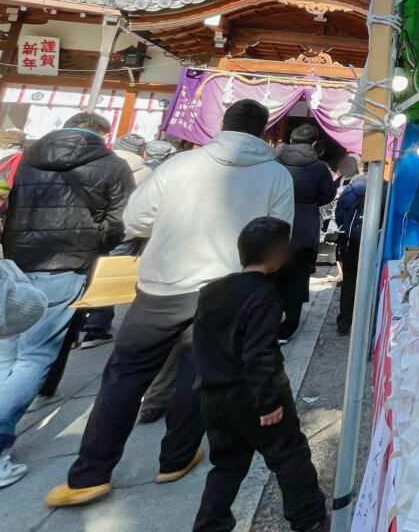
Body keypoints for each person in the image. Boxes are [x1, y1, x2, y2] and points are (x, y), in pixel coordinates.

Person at [47, 99, 295, 508]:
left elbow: (136, 219)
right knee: (199, 374)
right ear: (264, 130)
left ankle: (88, 475)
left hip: (162, 282)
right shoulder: (275, 174)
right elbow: (277, 235)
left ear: (221, 123)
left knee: (125, 376)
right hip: (225, 286)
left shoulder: (180, 164)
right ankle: (176, 458)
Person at [0, 112, 133, 489]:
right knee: (35, 356)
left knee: (7, 352)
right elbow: (120, 222)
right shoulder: (112, 164)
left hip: (15, 260)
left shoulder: (26, 157)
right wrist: (94, 241)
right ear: (103, 133)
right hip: (66, 263)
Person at [191, 217, 327, 532]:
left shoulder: (211, 290)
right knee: (290, 455)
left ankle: (210, 524)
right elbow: (259, 353)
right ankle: (308, 519)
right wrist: (269, 401)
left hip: (213, 396)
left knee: (226, 465)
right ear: (277, 255)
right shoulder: (265, 295)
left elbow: (203, 340)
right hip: (254, 397)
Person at [78, 133, 154, 349]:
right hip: (124, 230)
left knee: (84, 274)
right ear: (141, 151)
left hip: (88, 228)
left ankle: (73, 328)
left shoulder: (97, 163)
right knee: (109, 276)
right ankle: (96, 328)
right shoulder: (147, 172)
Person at [273, 125, 337, 340]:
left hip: (273, 225)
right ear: (315, 143)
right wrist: (309, 203)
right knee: (296, 279)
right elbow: (328, 195)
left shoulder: (275, 161)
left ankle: (266, 324)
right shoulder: (318, 167)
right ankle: (287, 328)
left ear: (290, 139)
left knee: (270, 277)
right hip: (303, 228)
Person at [333, 170, 366, 335]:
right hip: (373, 243)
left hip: (350, 243)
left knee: (349, 282)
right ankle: (366, 321)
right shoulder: (385, 190)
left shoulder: (349, 190)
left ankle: (344, 323)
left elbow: (339, 216)